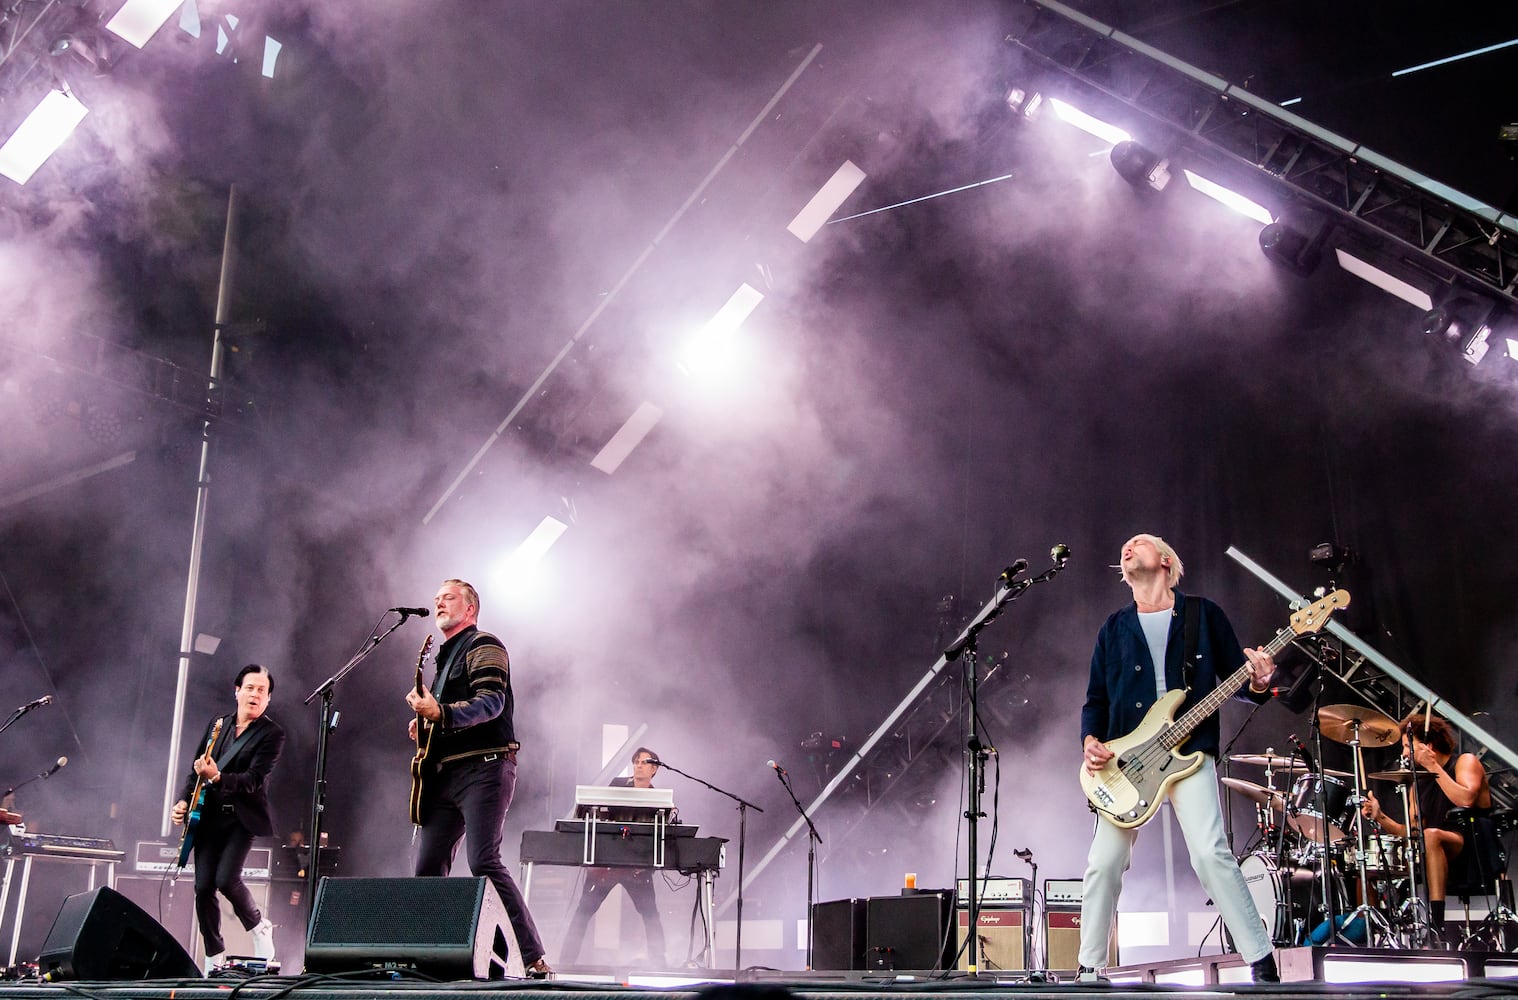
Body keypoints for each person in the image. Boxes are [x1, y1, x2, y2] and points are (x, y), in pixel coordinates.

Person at [1078, 534, 1280, 982]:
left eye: (1138, 543)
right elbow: (1095, 700)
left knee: (1210, 855)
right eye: (1124, 546)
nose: (1126, 547)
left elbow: (1241, 680)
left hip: (1188, 753)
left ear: (1166, 561)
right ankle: (1088, 971)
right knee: (1103, 863)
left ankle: (1262, 964)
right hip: (1126, 763)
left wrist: (1262, 680)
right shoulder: (1113, 628)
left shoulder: (1203, 615)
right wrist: (1091, 740)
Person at [407, 578, 551, 977]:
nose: (438, 602)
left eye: (448, 597)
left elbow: (491, 702)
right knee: (427, 867)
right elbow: (449, 710)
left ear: (470, 609)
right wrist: (427, 726)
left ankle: (532, 955)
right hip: (446, 774)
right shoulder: (445, 659)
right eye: (435, 598)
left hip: (485, 767)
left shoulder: (485, 644)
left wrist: (443, 714)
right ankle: (429, 956)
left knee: (483, 860)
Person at [171, 663, 284, 973]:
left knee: (226, 879)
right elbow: (196, 768)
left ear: (268, 699)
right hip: (207, 817)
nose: (256, 694)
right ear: (237, 691)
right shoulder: (217, 724)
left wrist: (218, 777)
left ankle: (259, 927)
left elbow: (254, 780)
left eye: (262, 690)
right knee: (203, 887)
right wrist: (183, 800)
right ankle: (213, 954)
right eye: (250, 687)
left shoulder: (272, 734)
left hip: (241, 819)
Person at [1361, 711, 1491, 936]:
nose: (1403, 753)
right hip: (1434, 849)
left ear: (1428, 746)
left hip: (1473, 846)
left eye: (1406, 746)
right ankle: (1376, 930)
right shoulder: (1418, 783)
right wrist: (1380, 816)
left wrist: (1434, 767)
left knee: (1430, 835)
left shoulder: (1464, 762)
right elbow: (1411, 833)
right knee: (1371, 863)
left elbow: (1466, 799)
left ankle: (1436, 924)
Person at [561, 748, 670, 966]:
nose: (639, 765)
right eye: (636, 761)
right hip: (607, 864)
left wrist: (647, 864)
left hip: (637, 868)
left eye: (644, 762)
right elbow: (603, 815)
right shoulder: (618, 785)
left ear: (654, 769)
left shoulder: (659, 798)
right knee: (584, 911)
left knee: (651, 915)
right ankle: (565, 963)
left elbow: (659, 837)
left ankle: (660, 964)